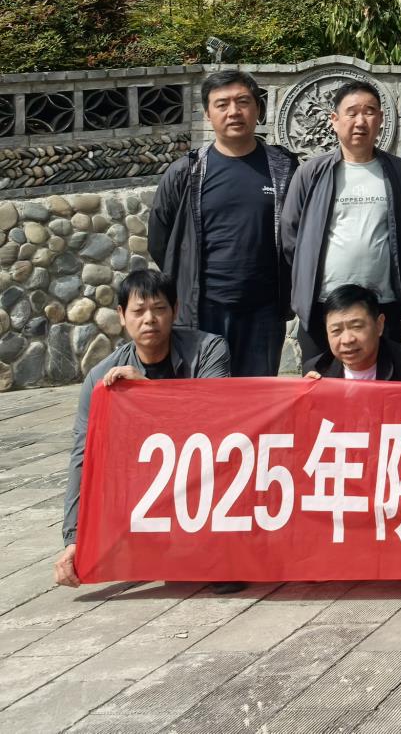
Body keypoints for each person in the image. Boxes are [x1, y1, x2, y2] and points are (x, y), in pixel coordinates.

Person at [56, 271, 230, 586]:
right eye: (138, 311)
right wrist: (75, 539)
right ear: (122, 315)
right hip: (141, 481)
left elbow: (215, 419)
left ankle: (220, 550)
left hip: (203, 474)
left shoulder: (209, 349)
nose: (149, 319)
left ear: (175, 310)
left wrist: (147, 392)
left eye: (159, 309)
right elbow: (83, 456)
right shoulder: (100, 378)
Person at [150, 69, 298, 377]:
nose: (234, 111)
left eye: (243, 102)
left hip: (264, 311)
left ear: (258, 108)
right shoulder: (186, 172)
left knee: (257, 395)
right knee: (205, 395)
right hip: (203, 309)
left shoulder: (284, 168)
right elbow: (161, 240)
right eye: (222, 104)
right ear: (207, 113)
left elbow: (298, 232)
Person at [279, 80, 401, 372]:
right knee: (320, 383)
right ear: (334, 119)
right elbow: (291, 236)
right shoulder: (311, 172)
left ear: (380, 118)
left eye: (369, 112)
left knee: (384, 384)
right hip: (323, 303)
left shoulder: (400, 172)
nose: (360, 121)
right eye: (352, 112)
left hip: (383, 303)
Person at [302, 285, 401, 382]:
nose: (347, 340)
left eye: (356, 327)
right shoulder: (316, 370)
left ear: (379, 325)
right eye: (336, 330)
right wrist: (306, 396)